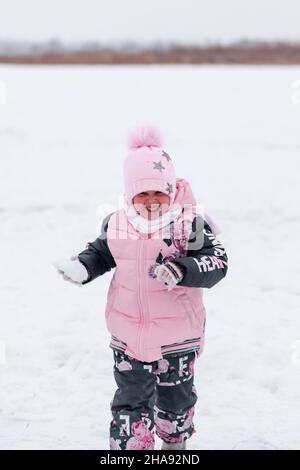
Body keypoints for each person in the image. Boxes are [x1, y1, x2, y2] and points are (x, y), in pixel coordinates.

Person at [53, 124, 228, 450]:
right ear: (129, 194)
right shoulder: (117, 222)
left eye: (158, 193)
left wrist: (182, 269)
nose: (150, 201)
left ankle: (174, 445)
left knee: (175, 400)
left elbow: (217, 262)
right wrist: (82, 267)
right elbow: (103, 252)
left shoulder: (188, 224)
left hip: (176, 339)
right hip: (128, 335)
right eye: (141, 194)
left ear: (170, 191)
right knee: (130, 402)